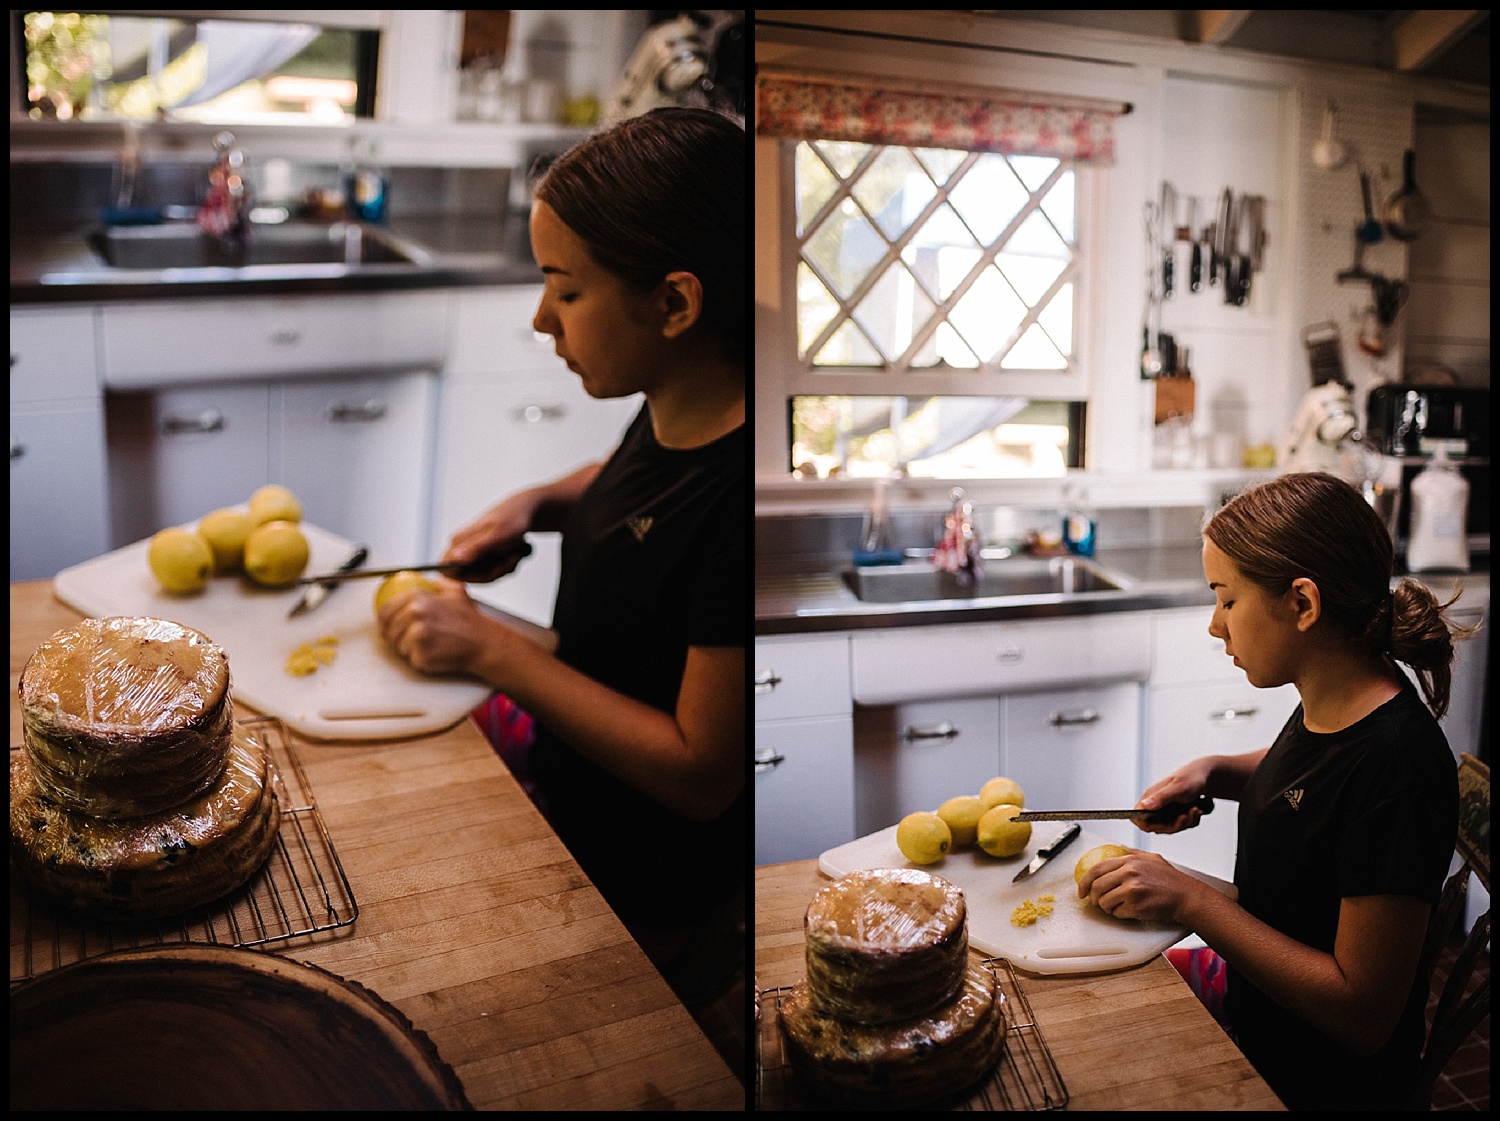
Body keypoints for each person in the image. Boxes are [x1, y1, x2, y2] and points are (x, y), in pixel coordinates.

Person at [377, 107, 747, 1043]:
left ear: (674, 304)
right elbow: (627, 478)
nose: (541, 319)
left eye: (564, 292)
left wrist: (495, 648)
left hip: (636, 880)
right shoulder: (677, 403)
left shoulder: (737, 514)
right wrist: (542, 502)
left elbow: (703, 774)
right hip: (569, 783)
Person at [1077, 472, 1470, 1111]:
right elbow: (1314, 773)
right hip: (1257, 1011)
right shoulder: (1336, 698)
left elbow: (1363, 1016)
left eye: (1227, 601)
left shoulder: (1397, 767)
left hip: (1311, 1081)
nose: (1214, 626)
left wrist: (1191, 901)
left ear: (1302, 605)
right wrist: (1220, 769)